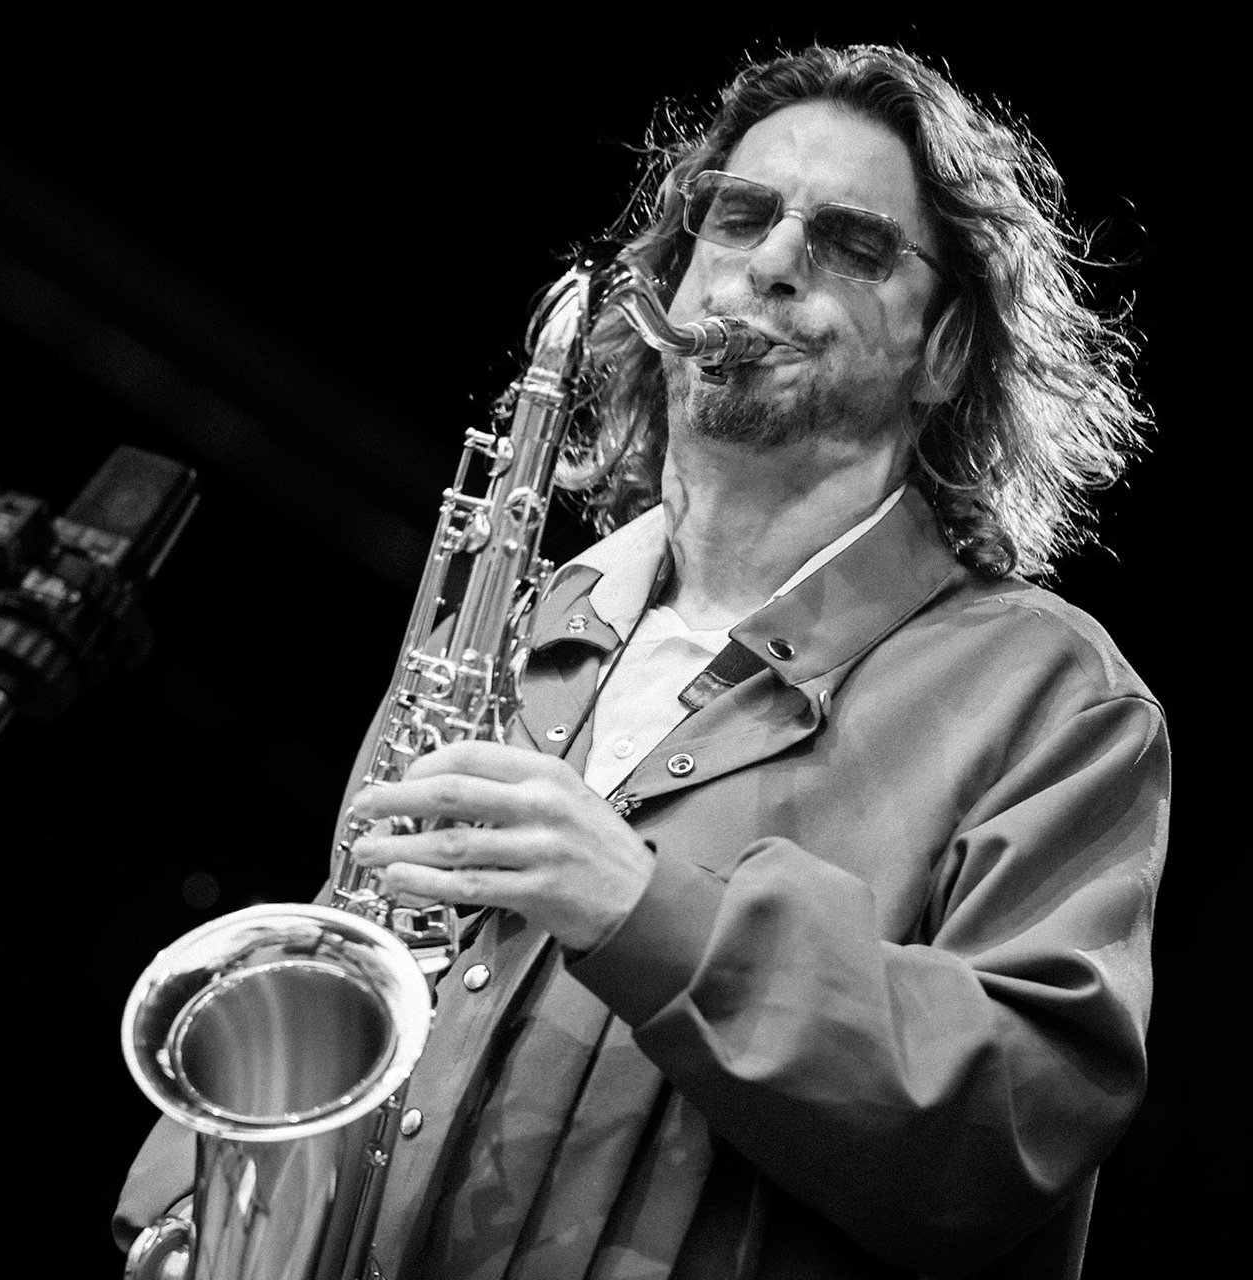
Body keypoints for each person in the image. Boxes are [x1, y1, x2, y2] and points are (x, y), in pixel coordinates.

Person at [118, 44, 1165, 1279]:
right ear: (673, 275)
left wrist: (640, 905)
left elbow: (1014, 1129)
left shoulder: (1048, 693)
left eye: (851, 243)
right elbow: (346, 959)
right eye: (741, 216)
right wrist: (188, 1212)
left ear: (943, 351)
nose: (772, 262)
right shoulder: (520, 625)